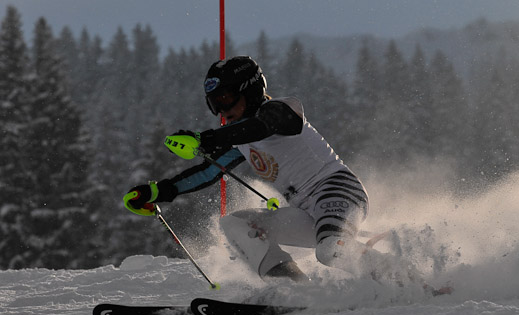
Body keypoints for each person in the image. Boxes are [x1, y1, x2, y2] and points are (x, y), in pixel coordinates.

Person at [124, 55, 399, 283]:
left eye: (226, 98)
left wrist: (206, 138)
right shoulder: (240, 137)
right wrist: (159, 191)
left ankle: (405, 279)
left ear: (250, 90)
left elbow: (262, 126)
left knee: (329, 251)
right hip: (304, 211)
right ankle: (295, 289)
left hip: (337, 191)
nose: (222, 110)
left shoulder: (284, 110)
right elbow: (210, 172)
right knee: (235, 223)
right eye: (214, 103)